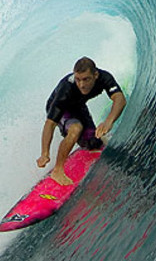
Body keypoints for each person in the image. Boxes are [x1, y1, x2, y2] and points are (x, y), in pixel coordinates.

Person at [37, 56, 127, 185]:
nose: (81, 85)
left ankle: (91, 141)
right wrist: (44, 153)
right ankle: (58, 170)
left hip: (78, 106)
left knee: (93, 144)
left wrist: (108, 122)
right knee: (75, 128)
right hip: (62, 109)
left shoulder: (104, 78)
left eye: (86, 79)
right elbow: (50, 124)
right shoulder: (66, 88)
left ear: (95, 74)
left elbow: (120, 99)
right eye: (78, 79)